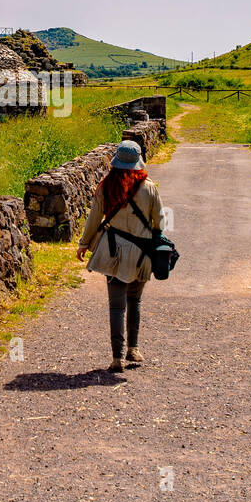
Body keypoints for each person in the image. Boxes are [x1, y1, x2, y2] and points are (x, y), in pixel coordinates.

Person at [76, 140, 164, 373]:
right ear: (138, 162)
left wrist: (84, 244)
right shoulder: (150, 187)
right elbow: (160, 222)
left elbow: (94, 218)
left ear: (116, 161)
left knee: (116, 307)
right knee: (134, 302)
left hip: (112, 252)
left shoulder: (106, 186)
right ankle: (133, 349)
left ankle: (117, 358)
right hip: (142, 254)